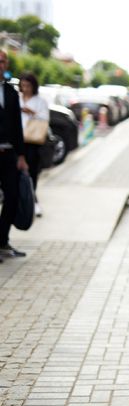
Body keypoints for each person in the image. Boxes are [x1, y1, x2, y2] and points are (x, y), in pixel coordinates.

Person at [0, 50, 29, 261]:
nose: (0, 64)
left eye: (2, 61)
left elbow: (18, 126)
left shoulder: (11, 92)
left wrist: (21, 156)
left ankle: (2, 241)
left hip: (9, 154)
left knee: (12, 197)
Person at [19, 72, 49, 217]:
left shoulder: (40, 101)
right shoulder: (17, 99)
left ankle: (33, 200)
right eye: (23, 85)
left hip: (32, 141)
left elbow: (45, 119)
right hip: (17, 140)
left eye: (28, 86)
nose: (25, 89)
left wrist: (32, 112)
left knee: (32, 172)